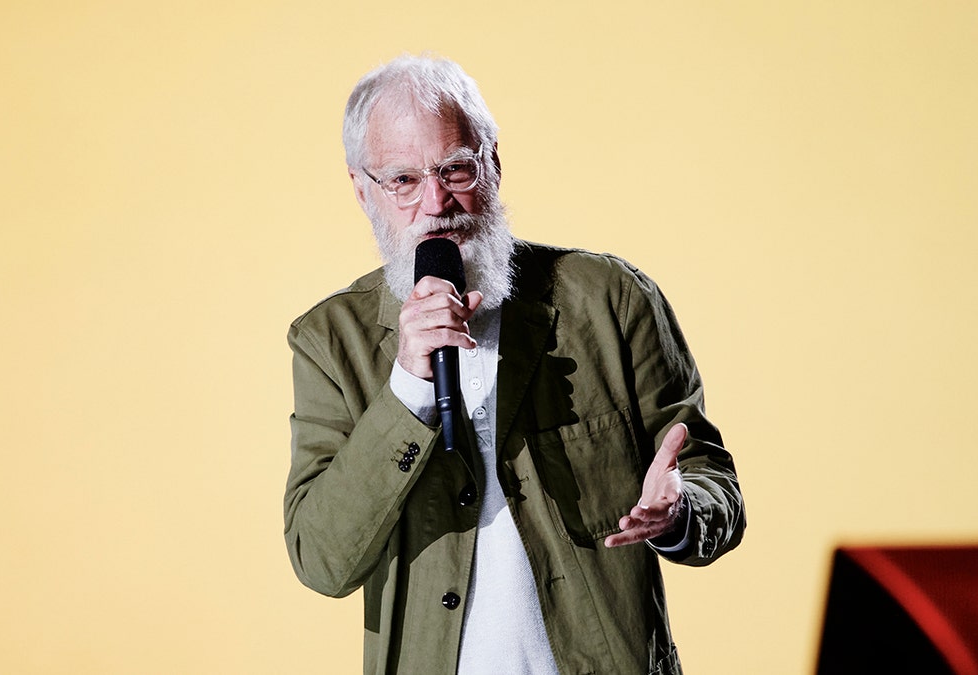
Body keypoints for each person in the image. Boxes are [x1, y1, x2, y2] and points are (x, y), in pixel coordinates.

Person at [284, 54, 746, 675]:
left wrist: (680, 510)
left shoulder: (608, 299)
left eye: (456, 168)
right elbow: (322, 560)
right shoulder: (328, 341)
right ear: (362, 190)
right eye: (403, 180)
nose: (437, 201)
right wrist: (406, 387)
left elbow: (712, 482)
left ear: (494, 162)